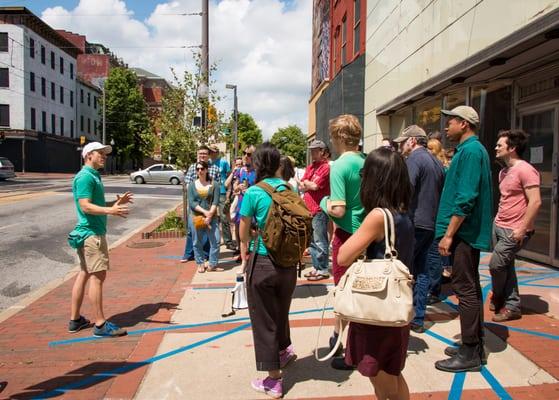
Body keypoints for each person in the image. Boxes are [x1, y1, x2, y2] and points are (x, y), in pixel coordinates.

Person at [337, 147, 413, 400]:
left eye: (364, 173)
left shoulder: (378, 216)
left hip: (375, 308)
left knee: (380, 375)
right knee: (391, 373)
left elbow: (343, 256)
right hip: (392, 306)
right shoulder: (401, 212)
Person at [434, 106, 493, 373]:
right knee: (469, 287)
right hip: (463, 233)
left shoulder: (470, 151)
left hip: (463, 234)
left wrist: (449, 234)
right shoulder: (470, 150)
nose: (447, 127)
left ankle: (470, 351)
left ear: (464, 124)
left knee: (465, 289)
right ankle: (474, 345)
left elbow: (466, 197)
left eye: (451, 122)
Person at [240, 142, 297, 399]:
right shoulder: (289, 189)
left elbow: (243, 231)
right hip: (288, 265)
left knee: (264, 321)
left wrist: (249, 241)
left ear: (257, 165)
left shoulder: (253, 193)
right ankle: (284, 350)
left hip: (263, 262)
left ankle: (273, 381)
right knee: (280, 311)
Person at [68, 142, 131, 337]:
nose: (104, 156)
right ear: (88, 155)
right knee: (98, 277)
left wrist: (114, 203)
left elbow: (95, 204)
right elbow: (85, 206)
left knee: (85, 273)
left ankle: (75, 320)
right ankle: (100, 324)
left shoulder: (93, 176)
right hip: (91, 235)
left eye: (105, 153)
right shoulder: (86, 177)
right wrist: (110, 210)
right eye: (100, 153)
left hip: (88, 233)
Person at [320, 114, 365, 370]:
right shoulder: (366, 161)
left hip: (347, 235)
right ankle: (358, 343)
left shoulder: (339, 166)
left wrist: (324, 202)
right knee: (363, 291)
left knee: (343, 292)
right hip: (368, 235)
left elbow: (337, 209)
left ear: (338, 137)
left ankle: (340, 342)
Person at [394, 125, 444, 333]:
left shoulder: (415, 160)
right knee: (422, 271)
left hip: (415, 222)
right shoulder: (436, 161)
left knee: (402, 270)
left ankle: (400, 314)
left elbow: (407, 189)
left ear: (413, 141)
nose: (400, 146)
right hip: (430, 222)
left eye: (403, 141)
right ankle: (418, 316)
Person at [490, 129, 541, 322]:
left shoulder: (526, 170)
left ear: (512, 148)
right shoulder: (504, 172)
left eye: (500, 145)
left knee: (496, 265)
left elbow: (535, 202)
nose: (496, 148)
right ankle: (512, 305)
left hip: (515, 230)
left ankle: (500, 295)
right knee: (506, 265)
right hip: (499, 226)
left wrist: (522, 228)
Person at [180, 145, 220, 263]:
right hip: (196, 206)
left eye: (204, 154)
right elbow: (188, 184)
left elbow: (216, 188)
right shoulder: (193, 167)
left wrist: (210, 210)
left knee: (209, 232)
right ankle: (188, 254)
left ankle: (206, 255)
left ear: (208, 155)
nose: (202, 156)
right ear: (197, 155)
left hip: (209, 206)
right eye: (200, 153)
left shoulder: (215, 169)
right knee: (191, 231)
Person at [300, 139, 330, 281]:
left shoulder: (326, 167)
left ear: (322, 151)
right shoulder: (311, 167)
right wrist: (307, 183)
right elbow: (303, 184)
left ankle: (323, 268)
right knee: (312, 240)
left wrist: (307, 184)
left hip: (318, 209)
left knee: (319, 239)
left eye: (315, 150)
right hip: (309, 208)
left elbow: (314, 186)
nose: (312, 152)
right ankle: (316, 266)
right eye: (311, 150)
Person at [425, 138, 451, 304]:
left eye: (428, 148)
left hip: (437, 216)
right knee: (431, 254)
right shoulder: (437, 167)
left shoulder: (441, 168)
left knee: (434, 254)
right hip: (433, 216)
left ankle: (434, 289)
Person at [188, 161, 222, 273]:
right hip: (196, 217)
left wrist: (210, 215)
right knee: (196, 241)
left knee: (216, 240)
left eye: (202, 169)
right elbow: (192, 203)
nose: (200, 171)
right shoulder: (192, 185)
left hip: (212, 217)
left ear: (207, 169)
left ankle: (212, 264)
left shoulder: (215, 184)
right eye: (197, 169)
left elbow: (216, 201)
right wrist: (205, 213)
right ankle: (200, 263)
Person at [232, 145, 257, 261]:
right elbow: (234, 187)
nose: (246, 156)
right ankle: (243, 254)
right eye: (245, 153)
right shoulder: (240, 171)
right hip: (242, 203)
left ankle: (251, 254)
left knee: (252, 231)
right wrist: (238, 187)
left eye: (249, 154)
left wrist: (251, 190)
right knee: (240, 230)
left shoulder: (257, 171)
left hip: (253, 204)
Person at [210, 146, 236, 251]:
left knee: (224, 217)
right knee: (211, 217)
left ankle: (228, 241)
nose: (212, 153)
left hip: (221, 192)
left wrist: (228, 193)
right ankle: (213, 240)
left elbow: (229, 177)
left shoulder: (224, 162)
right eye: (210, 152)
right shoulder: (207, 163)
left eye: (214, 152)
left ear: (217, 152)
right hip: (210, 191)